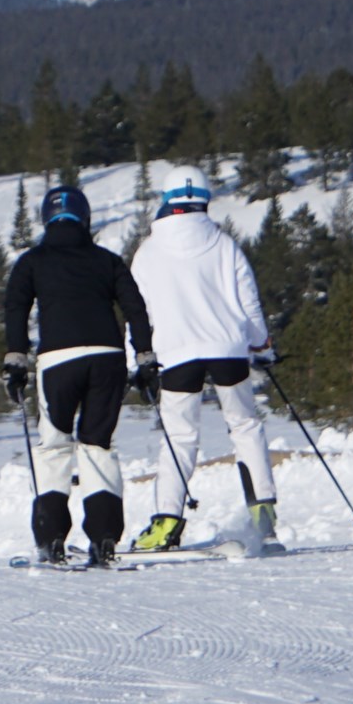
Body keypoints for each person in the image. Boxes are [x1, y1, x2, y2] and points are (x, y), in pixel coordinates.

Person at [1, 182, 156, 567]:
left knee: (54, 447)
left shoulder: (32, 261)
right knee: (96, 446)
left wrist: (16, 361)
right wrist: (146, 358)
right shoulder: (107, 260)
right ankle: (103, 539)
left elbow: (16, 307)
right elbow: (135, 307)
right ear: (85, 218)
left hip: (58, 361)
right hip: (108, 358)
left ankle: (51, 540)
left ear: (46, 220)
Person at [126, 174, 281, 554]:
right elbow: (249, 302)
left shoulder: (147, 251)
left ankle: (167, 522)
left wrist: (137, 360)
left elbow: (137, 313)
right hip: (228, 348)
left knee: (179, 438)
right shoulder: (225, 245)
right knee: (245, 426)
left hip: (175, 352)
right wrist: (261, 344)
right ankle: (263, 513)